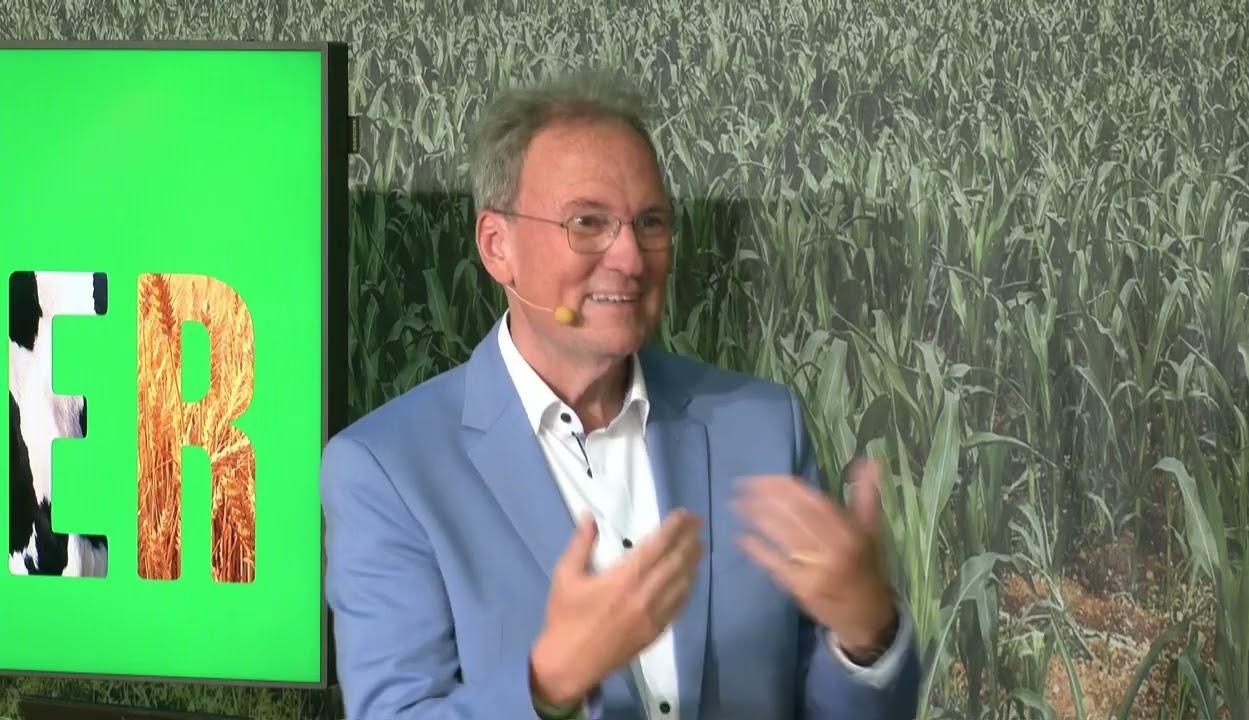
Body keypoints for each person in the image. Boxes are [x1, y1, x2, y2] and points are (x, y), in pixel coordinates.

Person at [320, 71, 922, 720]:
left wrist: (867, 636)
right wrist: (549, 683)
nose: (631, 258)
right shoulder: (389, 470)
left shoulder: (762, 427)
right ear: (497, 247)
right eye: (587, 223)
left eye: (650, 222)